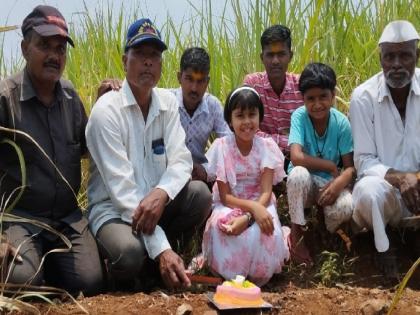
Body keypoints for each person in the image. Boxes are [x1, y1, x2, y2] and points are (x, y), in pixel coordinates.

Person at [86, 18, 212, 290]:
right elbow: (123, 194)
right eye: (140, 54)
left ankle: (156, 262)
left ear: (162, 65)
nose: (147, 62)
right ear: (124, 60)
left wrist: (162, 192)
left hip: (156, 204)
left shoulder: (167, 103)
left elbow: (181, 160)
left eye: (154, 56)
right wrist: (162, 248)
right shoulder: (106, 113)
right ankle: (132, 265)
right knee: (129, 254)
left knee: (200, 194)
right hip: (115, 210)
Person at [0, 5, 103, 295]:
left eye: (60, 49)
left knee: (91, 283)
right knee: (22, 281)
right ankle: (33, 266)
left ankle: (50, 265)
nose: (54, 56)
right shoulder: (5, 99)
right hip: (21, 217)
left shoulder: (71, 98)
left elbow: (90, 149)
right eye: (44, 46)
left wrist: (107, 107)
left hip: (67, 218)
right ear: (24, 48)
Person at [349, 20, 420, 278]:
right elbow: (364, 161)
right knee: (369, 192)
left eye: (405, 56)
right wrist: (400, 178)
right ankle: (384, 247)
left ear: (417, 56)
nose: (397, 64)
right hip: (386, 189)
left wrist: (415, 179)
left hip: (419, 186)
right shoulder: (363, 97)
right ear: (381, 59)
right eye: (390, 56)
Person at [202, 86, 290, 286]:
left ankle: (258, 276)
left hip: (262, 201)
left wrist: (253, 214)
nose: (247, 122)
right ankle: (230, 275)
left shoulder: (267, 147)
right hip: (231, 203)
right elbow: (225, 197)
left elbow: (267, 191)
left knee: (266, 229)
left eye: (252, 114)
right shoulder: (222, 147)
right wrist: (252, 211)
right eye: (240, 116)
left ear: (260, 116)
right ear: (230, 120)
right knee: (221, 226)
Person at [286, 63, 355, 265]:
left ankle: (328, 230)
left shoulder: (341, 123)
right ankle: (296, 231)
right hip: (304, 184)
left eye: (323, 97)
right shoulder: (299, 116)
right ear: (303, 99)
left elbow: (350, 167)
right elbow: (296, 157)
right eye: (311, 99)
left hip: (327, 185)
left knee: (345, 206)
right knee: (297, 174)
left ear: (333, 95)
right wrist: (331, 167)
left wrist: (339, 181)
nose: (317, 104)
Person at [170, 47, 230, 182]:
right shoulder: (166, 101)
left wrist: (206, 170)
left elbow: (229, 144)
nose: (194, 88)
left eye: (200, 81)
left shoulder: (213, 106)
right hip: (169, 174)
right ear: (179, 77)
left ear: (207, 81)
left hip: (200, 176)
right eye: (189, 79)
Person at [243, 24, 304, 157]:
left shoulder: (301, 86)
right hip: (260, 158)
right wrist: (290, 142)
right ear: (262, 57)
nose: (275, 61)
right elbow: (247, 130)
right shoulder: (252, 84)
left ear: (290, 56)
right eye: (270, 55)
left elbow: (310, 134)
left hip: (297, 161)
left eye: (281, 54)